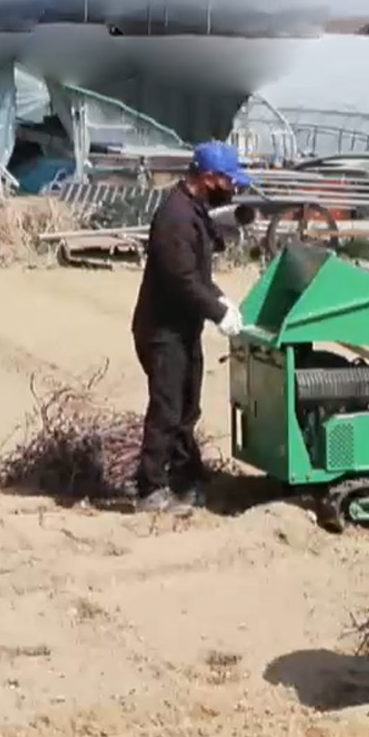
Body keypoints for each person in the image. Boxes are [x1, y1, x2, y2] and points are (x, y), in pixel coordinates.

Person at [130, 140, 255, 514]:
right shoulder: (175, 218)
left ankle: (188, 479)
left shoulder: (194, 212)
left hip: (182, 329)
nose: (233, 189)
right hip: (162, 333)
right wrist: (217, 313)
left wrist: (220, 299)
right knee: (167, 410)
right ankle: (150, 489)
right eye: (229, 182)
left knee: (187, 408)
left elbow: (197, 275)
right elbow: (182, 280)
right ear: (210, 177)